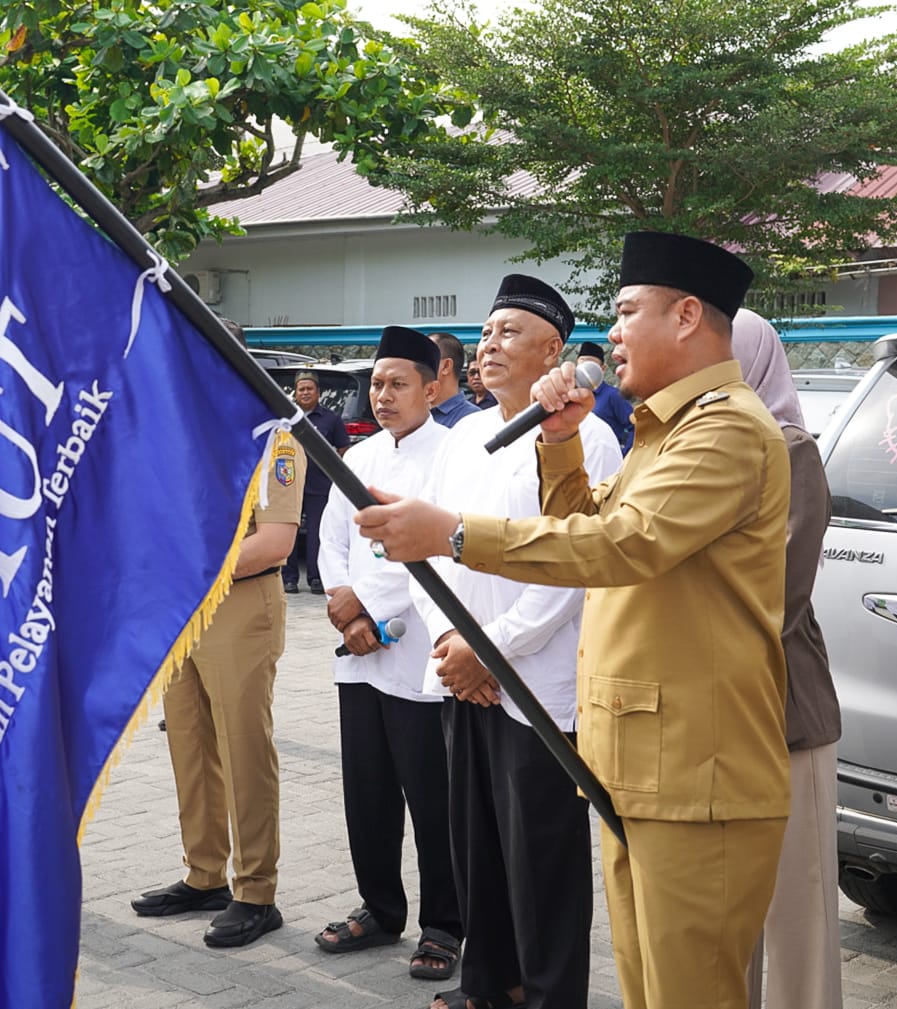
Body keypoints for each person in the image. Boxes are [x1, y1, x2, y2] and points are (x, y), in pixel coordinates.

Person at [355, 232, 791, 1009]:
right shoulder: (665, 430)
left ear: (687, 315)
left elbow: (620, 546)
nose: (611, 334)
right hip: (647, 766)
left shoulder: (722, 427)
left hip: (699, 772)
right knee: (648, 985)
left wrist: (454, 534)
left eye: (626, 313)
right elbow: (589, 521)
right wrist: (557, 441)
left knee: (689, 992)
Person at [407, 276, 622, 1009]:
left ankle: (550, 994)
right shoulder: (465, 432)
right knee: (477, 846)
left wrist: (488, 649)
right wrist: (449, 642)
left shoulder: (585, 436)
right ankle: (485, 984)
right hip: (463, 671)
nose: (487, 344)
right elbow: (424, 542)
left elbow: (573, 568)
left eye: (508, 332)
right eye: (485, 330)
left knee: (541, 859)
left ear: (552, 350)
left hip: (535, 684)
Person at [131, 340, 305, 949]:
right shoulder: (183, 435)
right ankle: (204, 873)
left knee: (243, 747)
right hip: (185, 611)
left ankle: (255, 890)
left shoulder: (276, 442)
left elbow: (276, 541)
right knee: (189, 741)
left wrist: (191, 568)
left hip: (240, 607)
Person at [313, 325, 462, 982]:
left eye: (398, 382)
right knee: (366, 791)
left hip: (417, 658)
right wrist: (342, 601)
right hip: (357, 650)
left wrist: (371, 612)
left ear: (432, 387)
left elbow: (432, 549)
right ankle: (379, 906)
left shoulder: (456, 455)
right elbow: (330, 538)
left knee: (432, 796)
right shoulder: (361, 455)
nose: (383, 394)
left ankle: (444, 923)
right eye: (376, 382)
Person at [732, 309, 842, 1009]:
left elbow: (772, 599)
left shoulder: (789, 449)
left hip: (785, 715)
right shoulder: (685, 448)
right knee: (723, 923)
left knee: (796, 918)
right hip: (717, 719)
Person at [285, 370, 350, 594]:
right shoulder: (286, 418)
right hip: (288, 484)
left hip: (319, 485)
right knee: (289, 531)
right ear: (295, 392)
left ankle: (316, 578)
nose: (305, 392)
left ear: (317, 393)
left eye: (309, 389)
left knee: (317, 534)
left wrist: (334, 474)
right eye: (301, 389)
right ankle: (289, 579)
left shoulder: (331, 419)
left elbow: (343, 449)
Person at [577, 340, 633, 453]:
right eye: (582, 363)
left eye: (591, 365)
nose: (585, 369)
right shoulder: (571, 396)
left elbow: (634, 426)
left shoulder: (613, 395)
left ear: (602, 369)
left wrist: (624, 454)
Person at [426, 331, 481, 428]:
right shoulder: (414, 415)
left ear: (446, 366)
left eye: (424, 359)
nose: (416, 367)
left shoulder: (474, 420)